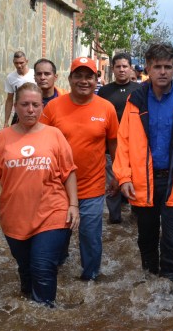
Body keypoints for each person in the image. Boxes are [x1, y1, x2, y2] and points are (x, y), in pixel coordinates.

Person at [113, 43, 173, 284]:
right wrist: (123, 178)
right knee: (146, 237)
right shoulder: (136, 100)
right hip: (143, 181)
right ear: (148, 68)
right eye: (157, 67)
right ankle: (149, 279)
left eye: (168, 67)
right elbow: (123, 141)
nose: (163, 72)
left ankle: (168, 286)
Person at [0, 83, 79, 306]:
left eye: (35, 105)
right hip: (14, 216)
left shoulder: (54, 135)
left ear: (42, 106)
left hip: (52, 212)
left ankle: (45, 319)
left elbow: (69, 171)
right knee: (26, 268)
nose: (30, 110)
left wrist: (73, 205)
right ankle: (28, 306)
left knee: (42, 267)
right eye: (25, 105)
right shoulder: (3, 138)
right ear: (16, 106)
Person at [41, 57, 119, 281]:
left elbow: (114, 144)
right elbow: (41, 142)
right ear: (70, 78)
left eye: (89, 76)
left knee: (90, 236)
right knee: (57, 236)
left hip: (92, 186)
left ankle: (90, 278)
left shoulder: (107, 108)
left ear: (97, 80)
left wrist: (118, 175)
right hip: (56, 186)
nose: (83, 81)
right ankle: (55, 271)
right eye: (79, 76)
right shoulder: (53, 107)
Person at [98, 52, 141, 224]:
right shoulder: (104, 91)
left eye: (125, 66)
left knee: (137, 182)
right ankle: (115, 219)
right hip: (111, 147)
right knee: (112, 184)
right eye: (118, 66)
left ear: (131, 68)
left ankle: (137, 215)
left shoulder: (140, 90)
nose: (122, 70)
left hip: (136, 146)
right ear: (113, 69)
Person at [3, 51, 35, 127]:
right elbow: (9, 99)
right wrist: (6, 121)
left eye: (21, 62)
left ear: (27, 61)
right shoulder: (10, 78)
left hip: (34, 111)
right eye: (16, 63)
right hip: (19, 113)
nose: (19, 65)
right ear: (13, 62)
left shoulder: (35, 74)